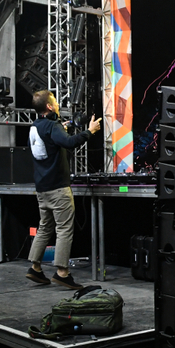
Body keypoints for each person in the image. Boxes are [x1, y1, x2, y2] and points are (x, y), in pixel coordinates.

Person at [26, 90, 101, 289]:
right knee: (64, 229)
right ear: (49, 107)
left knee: (44, 228)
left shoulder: (35, 127)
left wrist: (61, 128)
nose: (58, 105)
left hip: (42, 189)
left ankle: (35, 267)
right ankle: (62, 272)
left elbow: (49, 143)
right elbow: (68, 143)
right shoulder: (52, 126)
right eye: (55, 102)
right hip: (58, 188)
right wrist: (90, 131)